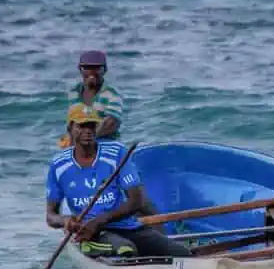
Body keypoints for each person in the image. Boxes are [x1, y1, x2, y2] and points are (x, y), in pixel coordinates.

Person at [46, 104, 188, 259]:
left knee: (181, 253)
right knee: (126, 250)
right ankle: (89, 246)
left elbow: (137, 201)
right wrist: (65, 220)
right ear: (70, 128)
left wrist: (100, 220)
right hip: (91, 233)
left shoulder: (116, 153)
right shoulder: (59, 165)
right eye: (81, 126)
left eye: (91, 126)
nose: (87, 131)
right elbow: (51, 216)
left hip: (126, 226)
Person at [62, 49, 124, 144]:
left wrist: (88, 140)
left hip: (106, 144)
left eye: (97, 68)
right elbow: (72, 124)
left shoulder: (112, 93)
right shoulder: (73, 92)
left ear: (105, 70)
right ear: (80, 69)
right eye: (86, 68)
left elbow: (111, 123)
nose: (91, 72)